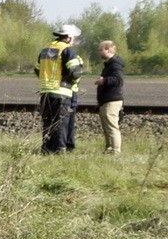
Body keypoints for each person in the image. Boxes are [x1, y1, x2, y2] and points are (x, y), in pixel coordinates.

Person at [34, 23, 84, 154]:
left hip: (45, 92)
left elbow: (37, 69)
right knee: (61, 122)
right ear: (67, 38)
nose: (74, 41)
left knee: (47, 122)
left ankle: (46, 149)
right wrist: (74, 83)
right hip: (62, 93)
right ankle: (60, 150)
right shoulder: (67, 50)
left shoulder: (45, 50)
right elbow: (75, 73)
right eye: (73, 38)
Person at [95, 40, 125, 154]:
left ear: (108, 49)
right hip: (106, 100)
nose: (99, 52)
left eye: (100, 49)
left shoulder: (115, 64)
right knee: (107, 126)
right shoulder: (109, 64)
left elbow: (118, 80)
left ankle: (115, 150)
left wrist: (104, 81)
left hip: (112, 100)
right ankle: (109, 148)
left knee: (112, 126)